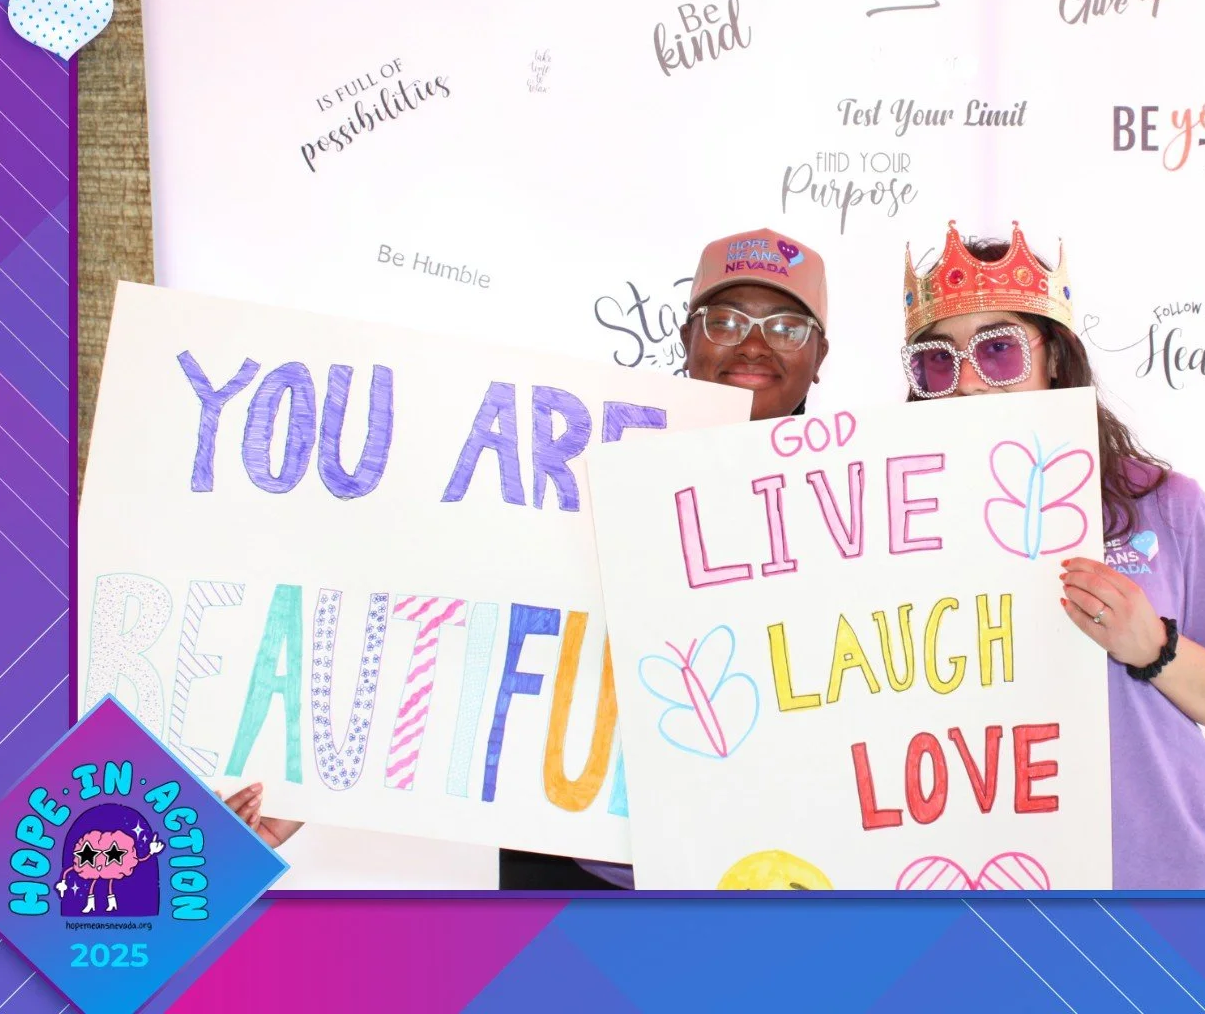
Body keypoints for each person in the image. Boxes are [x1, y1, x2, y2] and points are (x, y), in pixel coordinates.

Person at [226, 228, 832, 890]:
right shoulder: (575, 470)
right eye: (725, 319)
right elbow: (457, 621)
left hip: (766, 879)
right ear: (688, 339)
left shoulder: (866, 509)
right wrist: (305, 788)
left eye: (786, 326)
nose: (753, 343)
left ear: (820, 354)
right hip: (575, 873)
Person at [900, 220, 1205, 888]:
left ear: (1054, 359)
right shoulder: (890, 525)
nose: (965, 382)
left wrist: (1154, 647)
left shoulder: (1164, 505)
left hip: (1172, 885)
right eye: (936, 360)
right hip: (990, 891)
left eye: (998, 352)